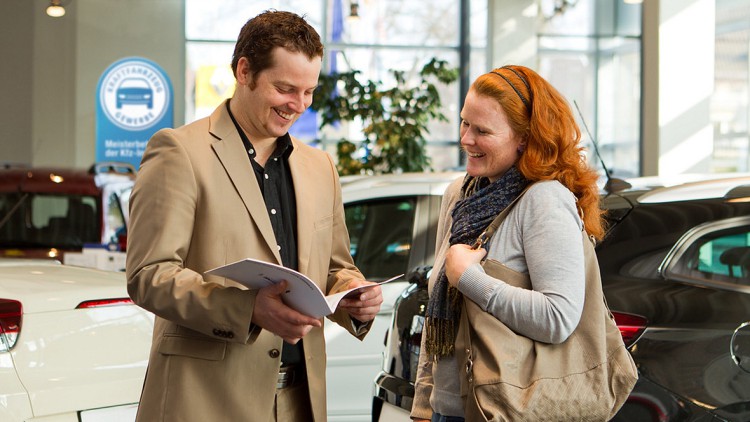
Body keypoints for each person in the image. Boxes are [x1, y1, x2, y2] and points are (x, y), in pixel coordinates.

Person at [125, 10, 383, 422]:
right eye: (285, 88)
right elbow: (149, 275)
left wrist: (353, 292)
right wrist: (248, 309)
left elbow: (336, 267)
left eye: (309, 91)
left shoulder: (320, 167)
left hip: (300, 401)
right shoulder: (179, 152)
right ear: (244, 71)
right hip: (204, 401)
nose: (298, 105)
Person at [410, 65, 605, 422]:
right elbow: (440, 315)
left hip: (507, 410)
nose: (466, 139)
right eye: (464, 122)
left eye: (482, 130)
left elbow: (558, 317)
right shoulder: (461, 194)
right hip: (449, 410)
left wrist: (470, 278)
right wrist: (424, 405)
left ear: (524, 139)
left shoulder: (543, 200)